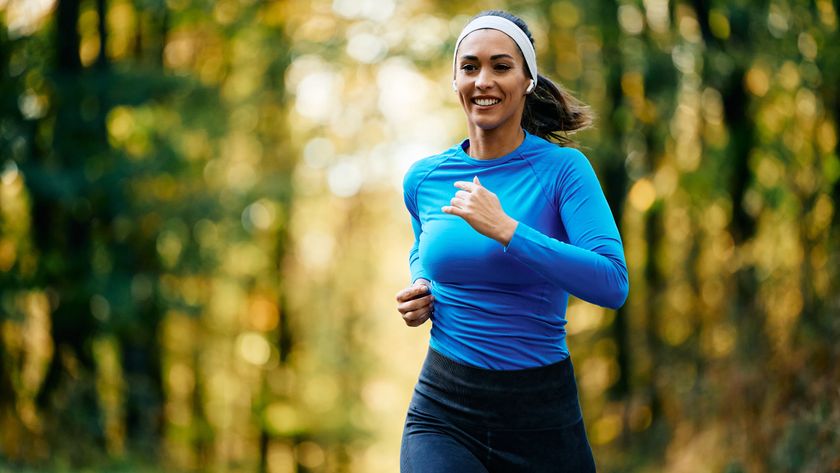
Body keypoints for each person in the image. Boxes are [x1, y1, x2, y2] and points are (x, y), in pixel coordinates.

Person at [395, 9, 629, 473]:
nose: (483, 80)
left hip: (541, 416)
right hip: (444, 408)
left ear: (527, 81)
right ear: (456, 81)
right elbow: (423, 247)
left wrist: (509, 231)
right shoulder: (424, 179)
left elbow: (612, 282)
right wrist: (421, 285)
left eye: (501, 66)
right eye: (470, 67)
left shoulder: (563, 171)